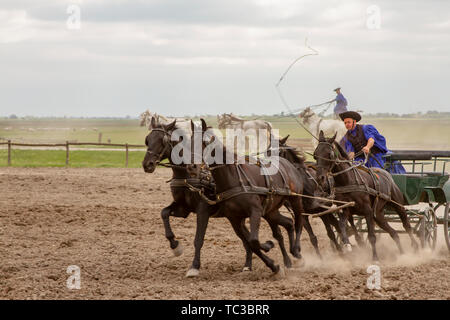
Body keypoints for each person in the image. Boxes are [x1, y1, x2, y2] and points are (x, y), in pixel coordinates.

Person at [339, 111, 406, 174]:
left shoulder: (365, 128)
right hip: (360, 159)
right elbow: (351, 152)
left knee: (376, 173)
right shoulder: (346, 137)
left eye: (348, 122)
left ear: (354, 121)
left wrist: (367, 147)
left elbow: (371, 139)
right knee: (355, 173)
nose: (347, 124)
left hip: (374, 156)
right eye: (345, 123)